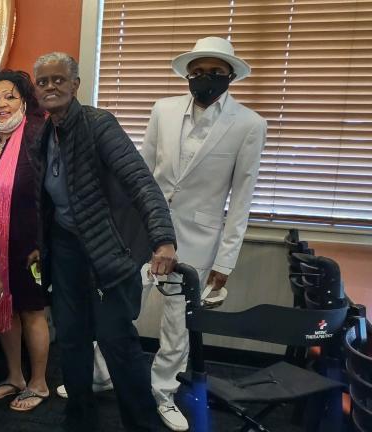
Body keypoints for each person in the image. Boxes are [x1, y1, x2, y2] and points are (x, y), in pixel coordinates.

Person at [28, 52, 177, 432]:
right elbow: (46, 200)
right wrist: (40, 244)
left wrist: (163, 240)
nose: (51, 87)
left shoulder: (99, 125)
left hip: (107, 253)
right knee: (73, 343)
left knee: (118, 343)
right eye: (43, 82)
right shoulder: (43, 134)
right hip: (64, 253)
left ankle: (141, 425)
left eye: (59, 79)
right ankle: (79, 421)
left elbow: (141, 182)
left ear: (75, 84)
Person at [139, 37, 266, 431]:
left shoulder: (249, 125)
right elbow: (142, 174)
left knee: (177, 324)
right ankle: (101, 372)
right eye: (198, 72)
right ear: (188, 74)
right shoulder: (163, 109)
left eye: (215, 72)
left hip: (200, 238)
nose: (205, 78)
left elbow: (241, 200)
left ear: (230, 76)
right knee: (120, 304)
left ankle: (163, 392)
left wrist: (225, 261)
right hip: (145, 230)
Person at [0, 70, 50, 412]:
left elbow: (54, 194)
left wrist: (45, 245)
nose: (2, 104)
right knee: (5, 310)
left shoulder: (38, 134)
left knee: (31, 311)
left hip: (30, 246)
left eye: (11, 96)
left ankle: (39, 383)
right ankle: (15, 376)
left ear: (26, 100)